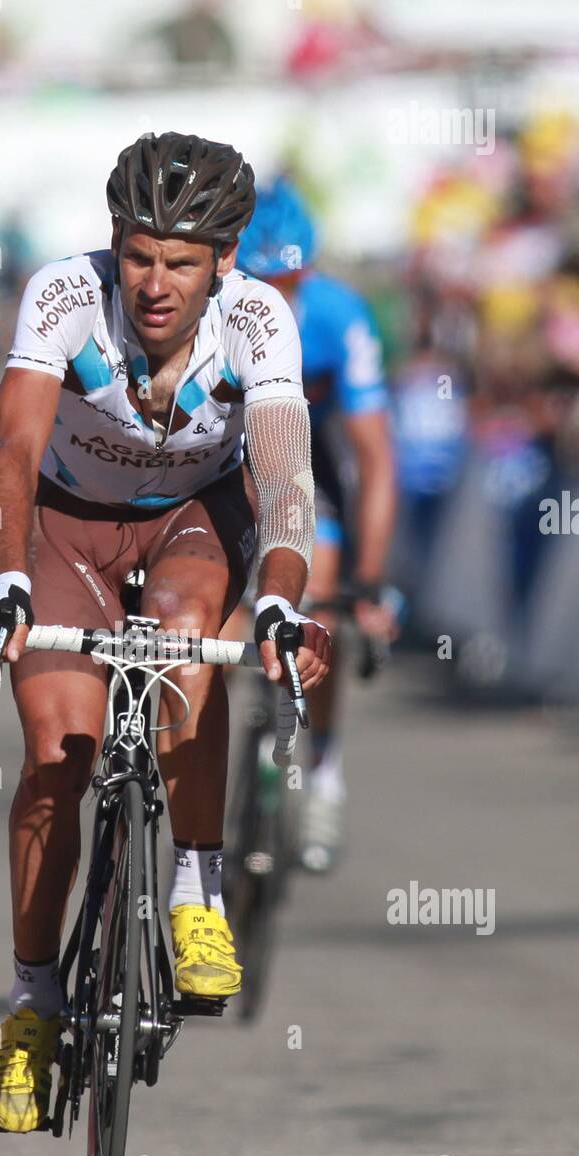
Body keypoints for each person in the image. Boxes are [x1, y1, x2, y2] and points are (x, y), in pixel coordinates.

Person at [0, 132, 331, 1133]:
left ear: (225, 258)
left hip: (190, 524)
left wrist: (283, 597)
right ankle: (34, 1004)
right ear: (112, 243)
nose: (154, 283)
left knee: (177, 644)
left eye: (181, 261)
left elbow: (286, 482)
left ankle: (195, 893)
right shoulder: (61, 295)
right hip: (63, 528)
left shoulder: (258, 320)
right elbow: (12, 450)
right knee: (54, 755)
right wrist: (4, 580)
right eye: (137, 254)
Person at [233, 177, 397, 871]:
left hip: (310, 465)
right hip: (231, 455)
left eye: (293, 279)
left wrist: (367, 583)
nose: (282, 296)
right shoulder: (220, 313)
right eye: (265, 280)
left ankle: (322, 769)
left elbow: (375, 462)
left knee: (316, 591)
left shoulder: (340, 316)